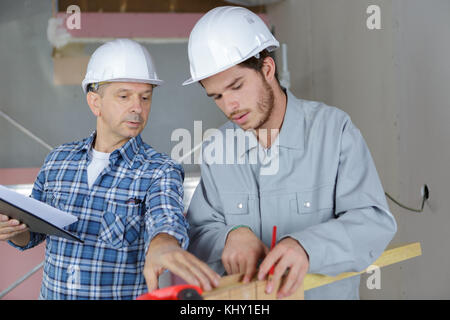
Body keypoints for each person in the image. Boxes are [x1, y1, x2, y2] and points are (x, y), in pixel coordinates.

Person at [184, 6, 397, 299]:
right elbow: (197, 232)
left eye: (236, 86)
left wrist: (307, 247)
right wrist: (230, 236)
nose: (229, 106)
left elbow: (373, 222)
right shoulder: (215, 150)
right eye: (217, 96)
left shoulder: (334, 131)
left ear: (267, 69)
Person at [0, 39, 219, 299]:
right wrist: (14, 230)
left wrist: (164, 245)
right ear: (95, 103)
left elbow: (167, 219)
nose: (137, 107)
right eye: (124, 96)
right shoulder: (57, 161)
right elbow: (33, 234)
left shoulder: (159, 171)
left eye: (145, 97)